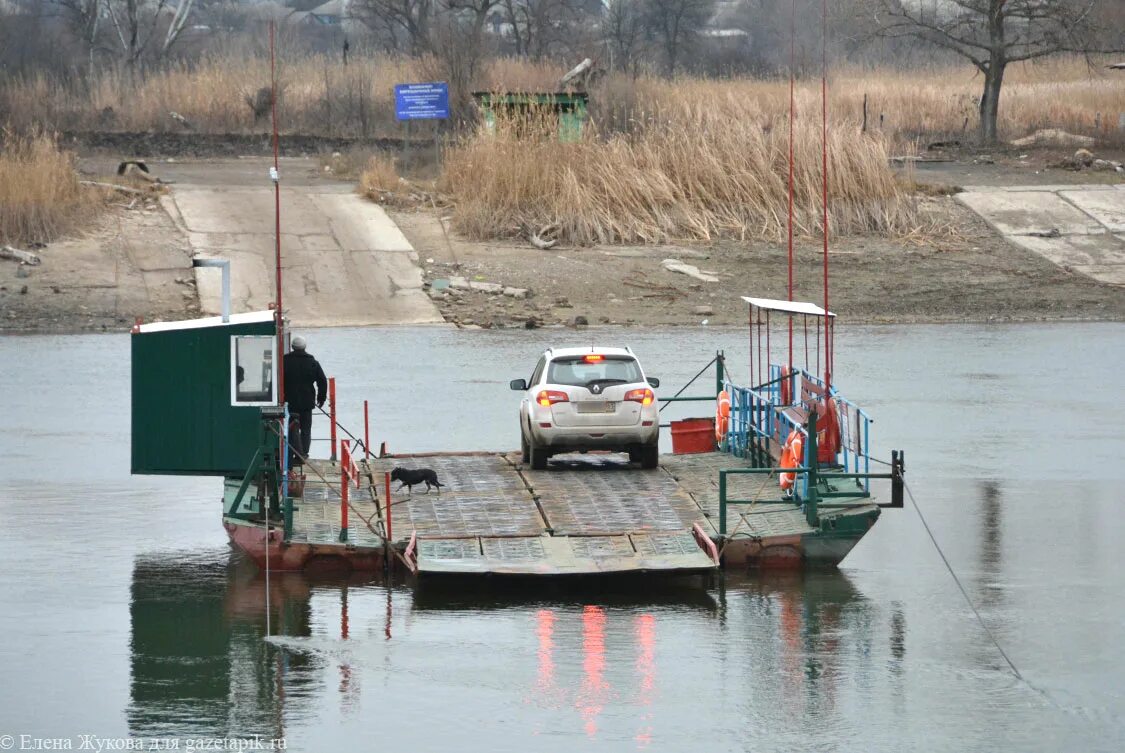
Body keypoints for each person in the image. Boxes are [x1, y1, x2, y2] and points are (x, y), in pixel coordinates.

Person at [283, 335, 327, 466]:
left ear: (292, 347)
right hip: (307, 402)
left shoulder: (285, 361)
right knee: (306, 429)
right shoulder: (312, 362)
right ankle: (304, 454)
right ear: (304, 347)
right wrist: (321, 398)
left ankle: (294, 453)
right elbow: (322, 381)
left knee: (291, 428)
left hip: (289, 401)